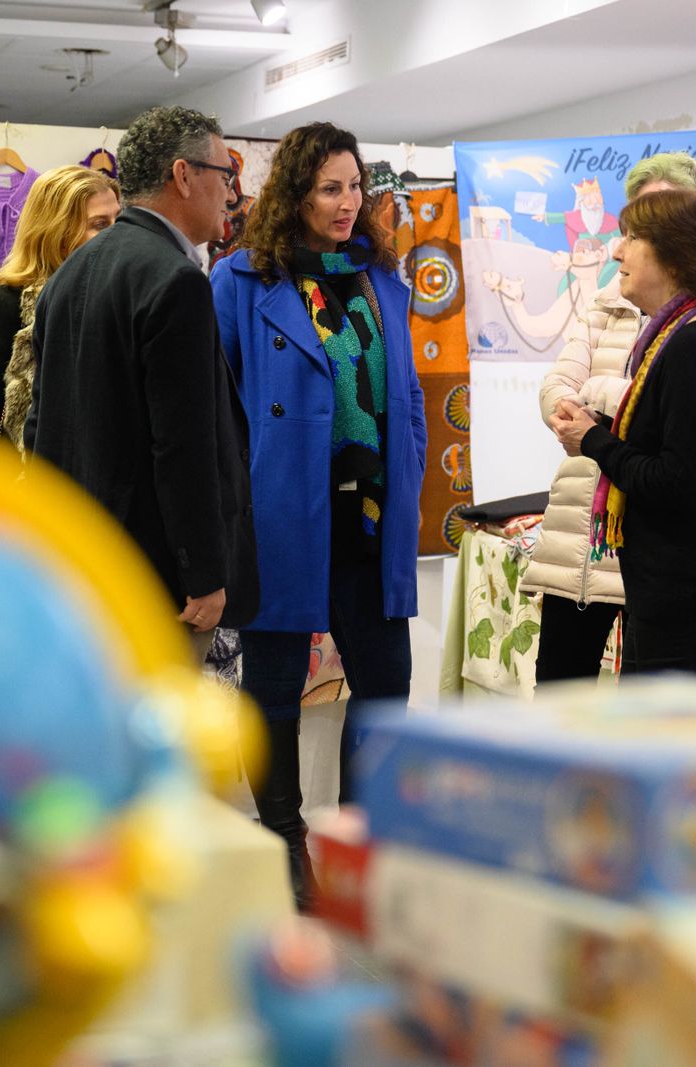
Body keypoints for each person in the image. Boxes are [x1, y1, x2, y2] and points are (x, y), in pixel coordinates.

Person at [210, 122, 426, 907]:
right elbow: (221, 412)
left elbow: (405, 400)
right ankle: (284, 838)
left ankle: (361, 841)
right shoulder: (241, 282)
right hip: (282, 516)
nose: (346, 203)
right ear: (296, 194)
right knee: (271, 690)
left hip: (370, 517)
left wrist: (408, 464)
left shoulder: (381, 279)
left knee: (386, 686)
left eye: (355, 186)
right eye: (329, 187)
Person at [27, 106, 258, 658]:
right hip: (157, 584)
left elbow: (41, 429)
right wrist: (202, 572)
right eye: (225, 175)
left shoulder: (69, 275)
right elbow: (182, 445)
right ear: (183, 175)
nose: (231, 195)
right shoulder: (174, 280)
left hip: (83, 570)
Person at [548, 189, 696, 676]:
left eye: (632, 238)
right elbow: (673, 451)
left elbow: (677, 482)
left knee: (669, 747)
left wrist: (593, 441)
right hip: (687, 592)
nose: (616, 251)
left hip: (693, 595)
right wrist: (599, 430)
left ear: (676, 254)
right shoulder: (688, 336)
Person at [523, 152, 696, 685]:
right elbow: (557, 385)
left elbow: (670, 412)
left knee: (643, 718)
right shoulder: (606, 303)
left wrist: (597, 415)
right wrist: (570, 416)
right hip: (581, 536)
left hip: (653, 545)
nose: (630, 241)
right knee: (561, 703)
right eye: (633, 222)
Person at [0, 165, 119, 447]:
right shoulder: (4, 305)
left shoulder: (121, 305)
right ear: (58, 236)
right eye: (99, 225)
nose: (117, 236)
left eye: (118, 221)